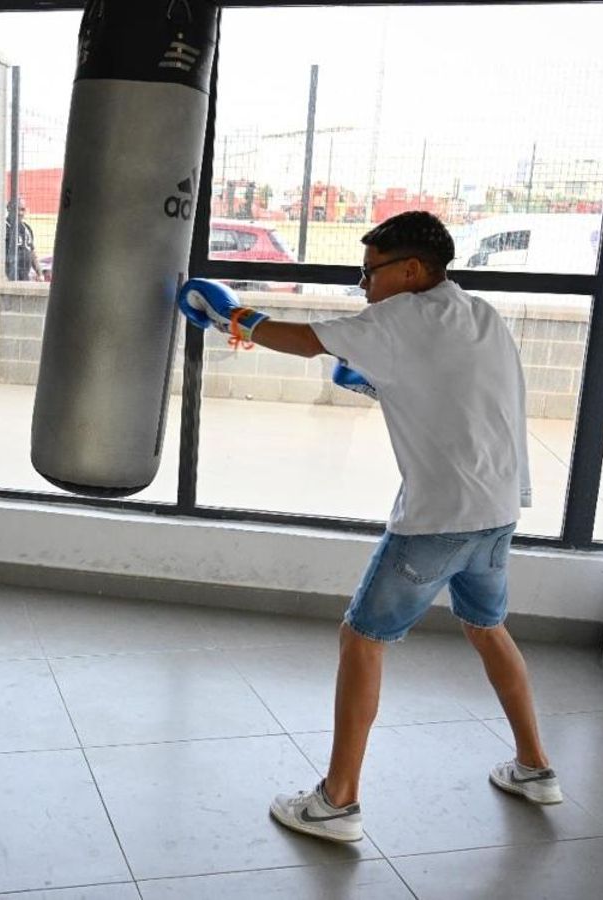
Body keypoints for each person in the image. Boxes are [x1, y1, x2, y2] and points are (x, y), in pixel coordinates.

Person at [177, 210, 560, 844]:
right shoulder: (479, 314)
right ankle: (535, 768)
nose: (364, 285)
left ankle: (337, 803)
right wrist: (385, 387)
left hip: (437, 519)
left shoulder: (401, 316)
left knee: (362, 638)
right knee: (488, 628)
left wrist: (231, 319)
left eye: (371, 271)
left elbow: (303, 342)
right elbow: (470, 393)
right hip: (496, 512)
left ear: (411, 270)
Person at [5, 198, 41, 281]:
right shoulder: (3, 227)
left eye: (22, 210)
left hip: (24, 276)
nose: (20, 213)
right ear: (9, 208)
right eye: (17, 209)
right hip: (9, 276)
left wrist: (40, 273)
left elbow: (32, 253)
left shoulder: (27, 228)